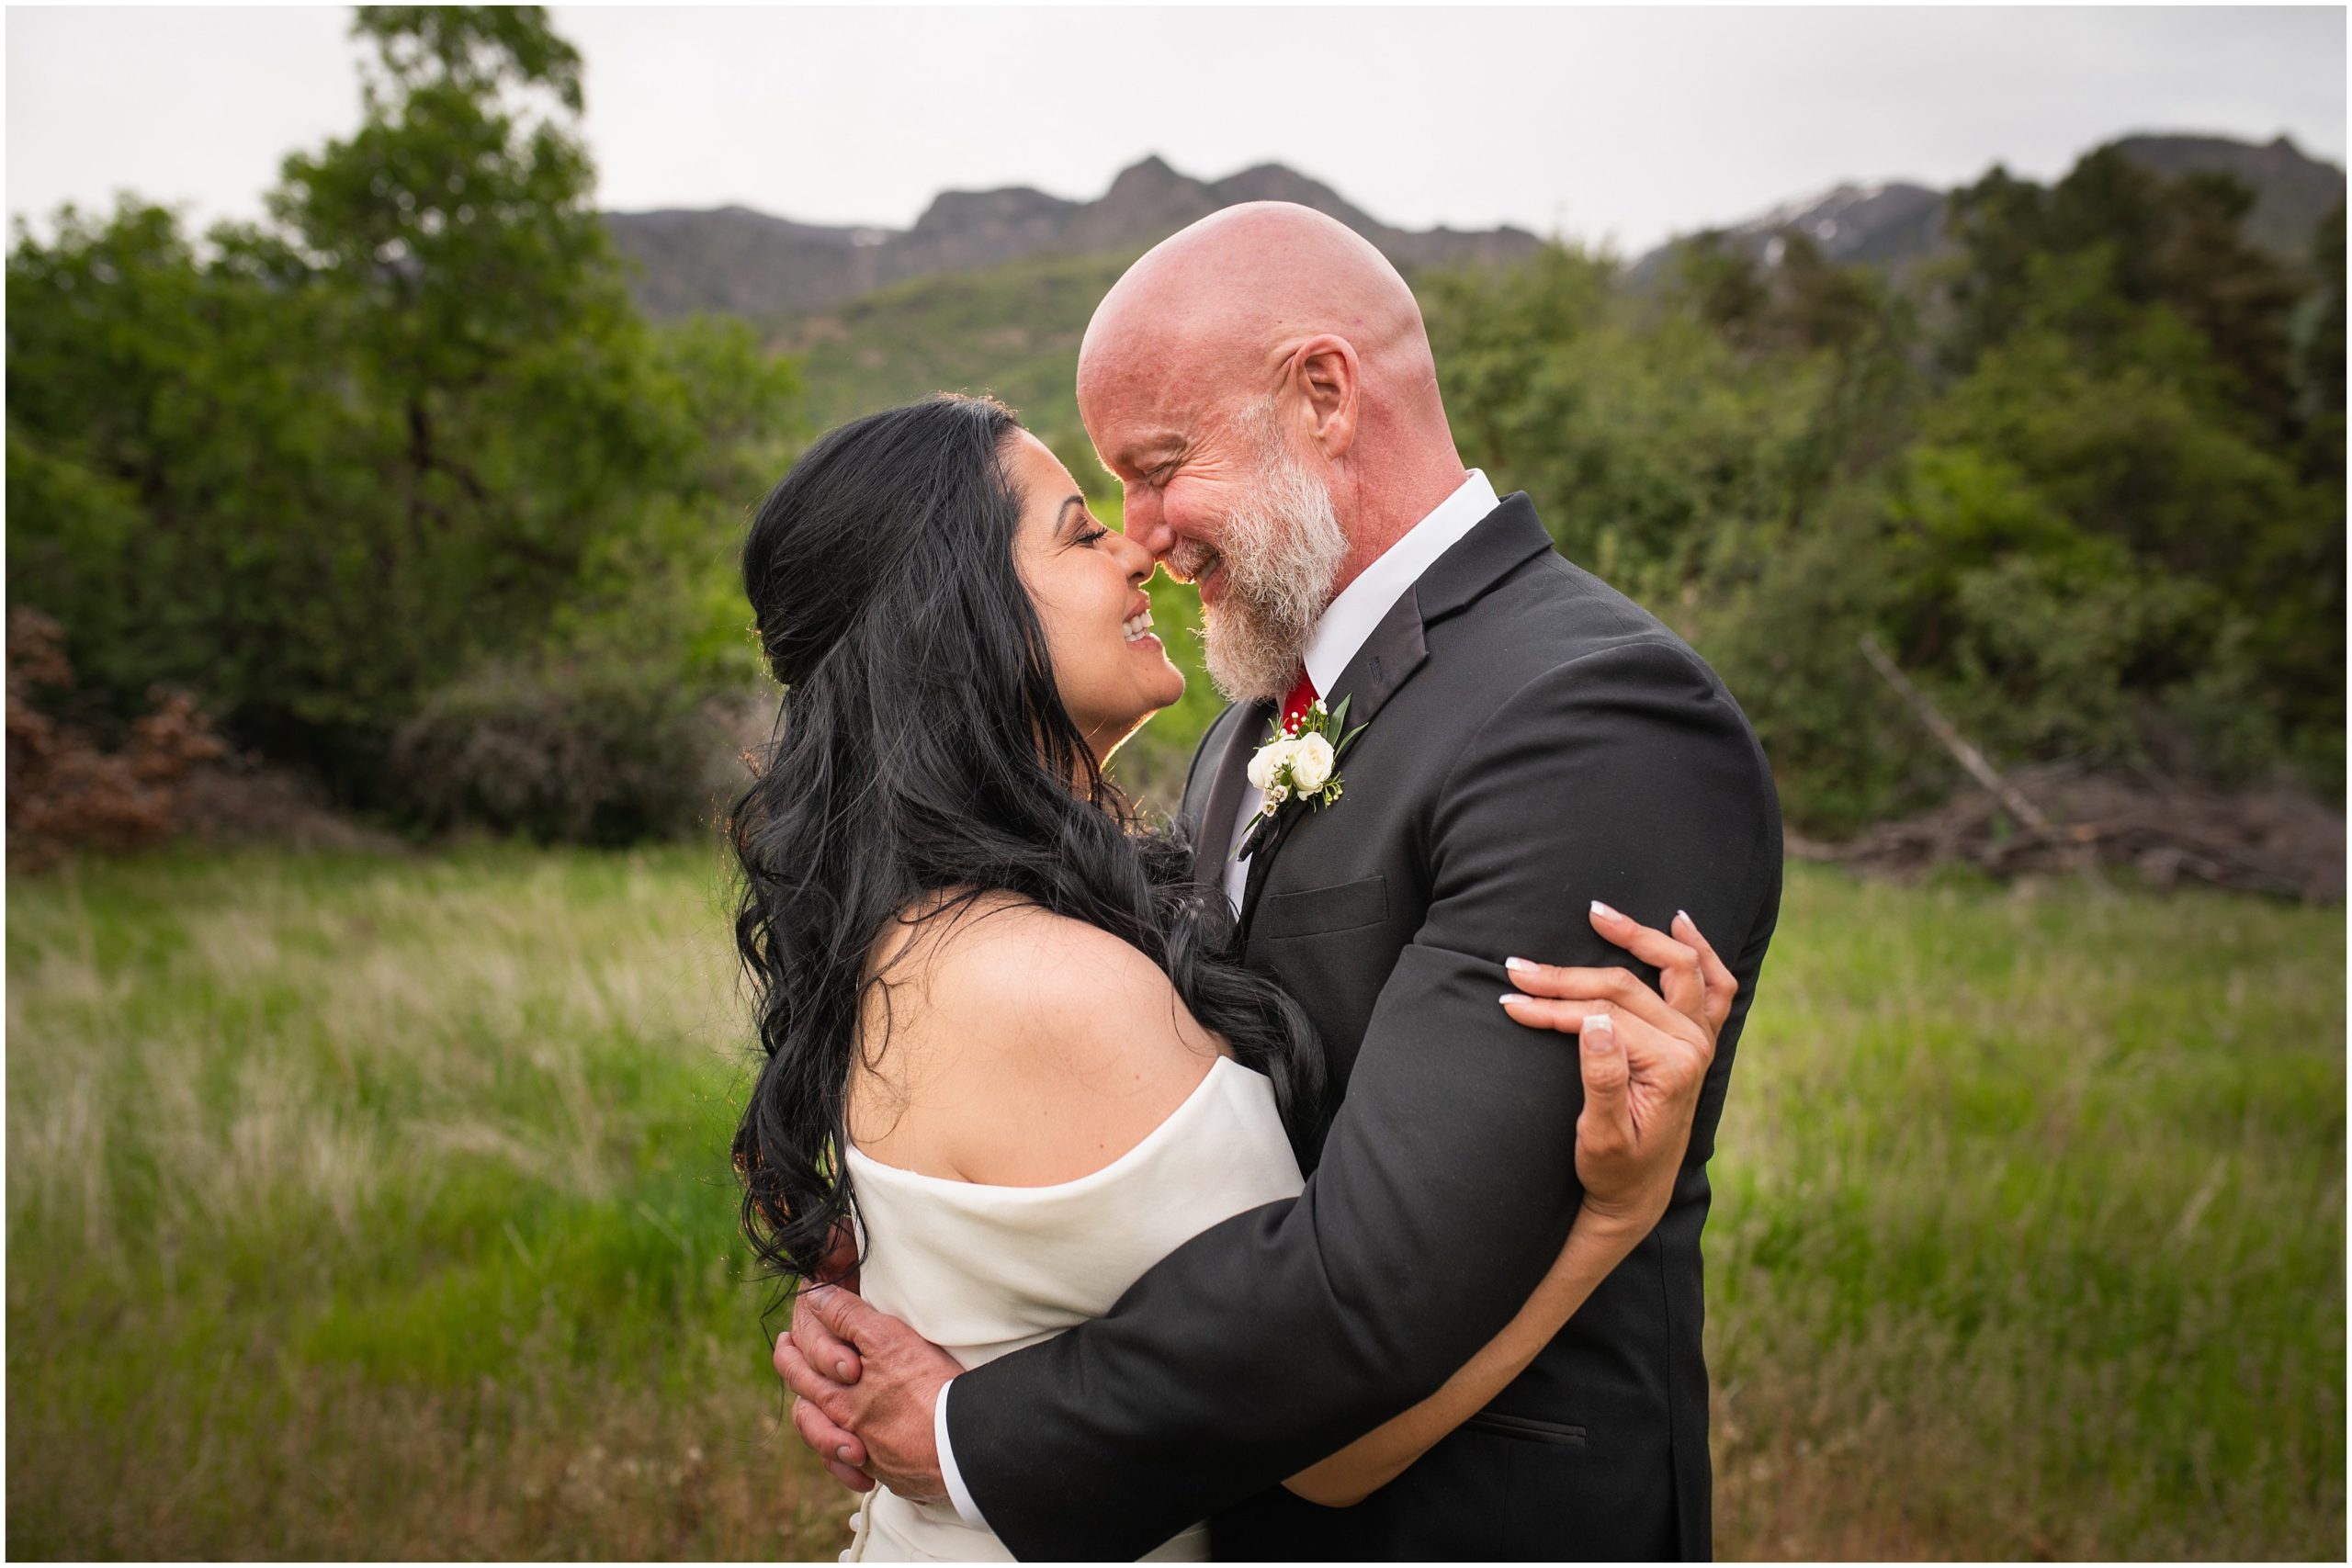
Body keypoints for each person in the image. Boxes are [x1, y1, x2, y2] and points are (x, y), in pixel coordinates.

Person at [773, 202, 1785, 1562]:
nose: (1143, 535)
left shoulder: (1592, 712)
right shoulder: (1255, 727)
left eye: (1161, 466)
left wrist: (971, 1426)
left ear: (1322, 394)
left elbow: (1383, 1277)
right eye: (1098, 506)